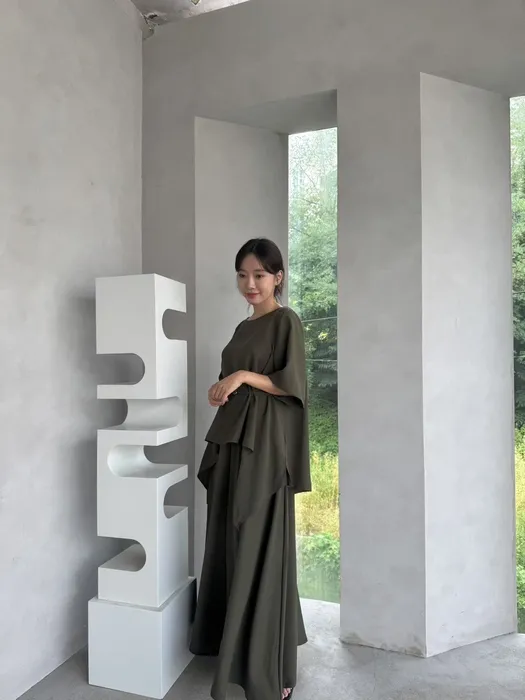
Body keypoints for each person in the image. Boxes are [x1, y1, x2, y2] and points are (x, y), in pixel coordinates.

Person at [189, 238, 311, 700]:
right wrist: (222, 387)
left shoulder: (286, 321)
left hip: (264, 447)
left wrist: (240, 376)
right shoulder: (243, 328)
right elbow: (241, 379)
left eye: (259, 275)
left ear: (278, 277)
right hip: (234, 442)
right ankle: (235, 647)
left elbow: (291, 383)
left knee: (260, 541)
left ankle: (269, 666)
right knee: (231, 539)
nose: (250, 284)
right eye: (243, 275)